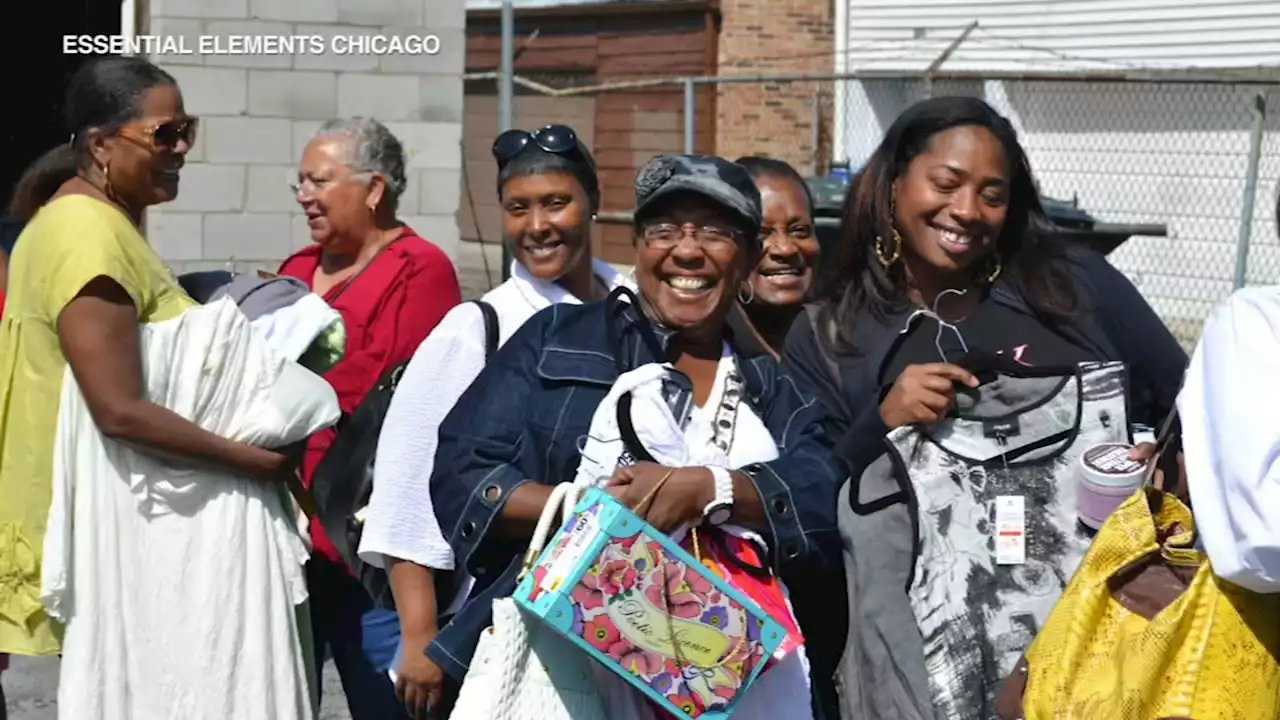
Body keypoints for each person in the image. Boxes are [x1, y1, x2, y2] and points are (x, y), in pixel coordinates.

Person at [428, 154, 844, 719]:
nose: (687, 250)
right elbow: (462, 470)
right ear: (640, 246)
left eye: (715, 233)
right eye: (665, 230)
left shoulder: (768, 384)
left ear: (747, 257)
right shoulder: (556, 338)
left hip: (739, 682)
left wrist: (708, 490)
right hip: (574, 680)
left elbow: (820, 493)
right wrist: (592, 514)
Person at [0, 56, 313, 716]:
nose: (180, 151)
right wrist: (256, 462)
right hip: (101, 524)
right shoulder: (86, 234)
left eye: (187, 132)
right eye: (164, 134)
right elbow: (119, 410)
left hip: (125, 510)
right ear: (99, 144)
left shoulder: (97, 223)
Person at [358, 123, 627, 719]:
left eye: (557, 202)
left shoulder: (632, 305)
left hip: (624, 615)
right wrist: (421, 634)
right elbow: (404, 491)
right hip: (499, 618)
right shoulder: (478, 328)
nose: (538, 225)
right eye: (518, 208)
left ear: (594, 202)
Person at [784, 95, 1187, 477]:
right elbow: (812, 496)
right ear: (893, 183)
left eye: (992, 196)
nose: (966, 210)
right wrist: (882, 422)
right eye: (945, 184)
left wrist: (1164, 464)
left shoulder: (1076, 282)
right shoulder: (829, 335)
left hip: (1100, 547)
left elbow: (1191, 405)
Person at [279, 117, 463, 719]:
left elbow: (400, 405)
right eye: (300, 182)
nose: (305, 194)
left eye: (320, 180)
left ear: (374, 188)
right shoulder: (295, 270)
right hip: (288, 538)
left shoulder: (420, 268)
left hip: (368, 547)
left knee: (386, 702)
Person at [727, 156, 820, 358]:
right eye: (761, 233)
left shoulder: (846, 340)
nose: (785, 249)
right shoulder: (704, 354)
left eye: (799, 231)